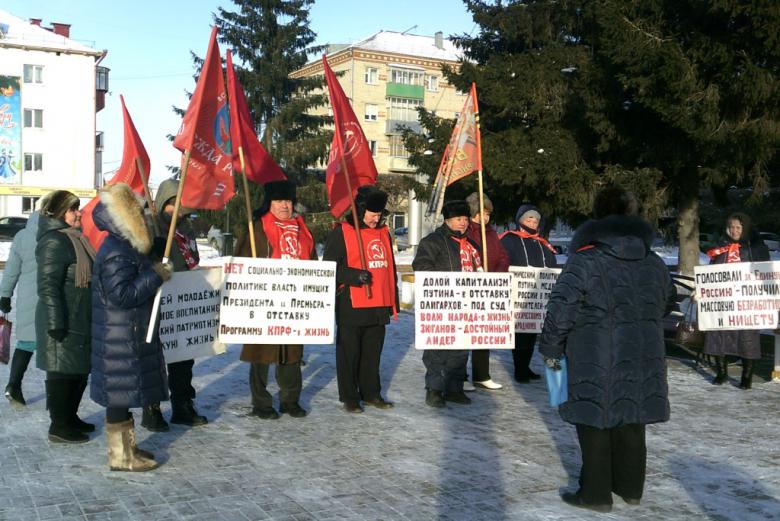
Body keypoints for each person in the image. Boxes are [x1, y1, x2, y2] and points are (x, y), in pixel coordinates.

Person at [539, 186, 676, 512]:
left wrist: (551, 348)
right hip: (643, 354)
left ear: (598, 216)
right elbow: (668, 301)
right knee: (632, 416)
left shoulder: (585, 260)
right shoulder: (653, 261)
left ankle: (595, 494)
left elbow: (562, 310)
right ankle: (630, 488)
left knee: (594, 419)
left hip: (593, 353)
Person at [90, 183, 173, 471]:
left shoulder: (123, 246)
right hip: (120, 334)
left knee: (121, 395)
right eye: (138, 213)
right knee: (118, 395)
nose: (145, 217)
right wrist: (155, 276)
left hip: (123, 334)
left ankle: (126, 448)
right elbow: (122, 295)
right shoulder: (116, 251)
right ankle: (121, 456)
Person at [234, 180, 317, 419]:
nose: (285, 206)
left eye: (289, 201)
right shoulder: (257, 229)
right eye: (280, 200)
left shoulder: (303, 229)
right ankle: (261, 403)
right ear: (269, 203)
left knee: (291, 353)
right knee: (261, 353)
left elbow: (312, 262)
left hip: (295, 301)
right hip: (263, 302)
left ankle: (290, 400)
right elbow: (240, 264)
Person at [323, 185, 399, 413]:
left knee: (372, 354)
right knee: (349, 354)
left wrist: (392, 297)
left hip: (378, 304)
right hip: (351, 304)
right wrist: (354, 275)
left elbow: (390, 267)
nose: (376, 219)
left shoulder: (384, 232)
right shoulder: (342, 232)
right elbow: (329, 268)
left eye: (379, 215)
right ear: (360, 210)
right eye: (372, 214)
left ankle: (371, 393)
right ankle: (349, 396)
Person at [141, 178, 208, 431]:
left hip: (182, 302)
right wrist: (153, 253)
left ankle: (183, 405)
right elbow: (137, 259)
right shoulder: (149, 226)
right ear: (164, 204)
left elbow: (193, 258)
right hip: (155, 302)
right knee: (155, 359)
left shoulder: (185, 229)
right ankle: (152, 409)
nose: (180, 213)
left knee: (182, 359)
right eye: (175, 207)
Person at [36, 190, 96, 443]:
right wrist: (55, 322)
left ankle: (70, 416)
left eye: (78, 208)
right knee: (61, 371)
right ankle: (59, 425)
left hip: (79, 315)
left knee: (77, 370)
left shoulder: (76, 239)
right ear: (59, 213)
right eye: (73, 209)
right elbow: (48, 285)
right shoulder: (54, 241)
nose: (79, 213)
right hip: (62, 317)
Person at [413, 200, 482, 408]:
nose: (463, 223)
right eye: (459, 219)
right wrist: (446, 284)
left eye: (465, 219)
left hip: (467, 305)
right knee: (437, 349)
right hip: (441, 304)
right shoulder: (433, 241)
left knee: (461, 348)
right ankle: (434, 389)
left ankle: (454, 388)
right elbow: (422, 265)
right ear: (448, 220)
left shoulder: (472, 245)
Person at [704, 213, 770, 389]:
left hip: (746, 302)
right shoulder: (720, 247)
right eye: (731, 227)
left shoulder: (755, 248)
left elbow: (766, 274)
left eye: (738, 227)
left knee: (748, 338)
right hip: (723, 300)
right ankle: (721, 372)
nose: (734, 230)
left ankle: (746, 376)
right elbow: (711, 274)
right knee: (719, 334)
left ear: (745, 228)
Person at [500, 204, 559, 383]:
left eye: (535, 220)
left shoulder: (542, 243)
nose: (533, 222)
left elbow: (552, 267)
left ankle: (526, 367)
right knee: (520, 333)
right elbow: (502, 263)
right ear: (520, 220)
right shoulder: (508, 239)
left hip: (538, 297)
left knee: (532, 333)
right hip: (518, 294)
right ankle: (520, 369)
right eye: (529, 219)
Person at [465, 192, 509, 391]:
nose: (485, 217)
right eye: (482, 213)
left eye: (488, 214)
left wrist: (496, 276)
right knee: (464, 334)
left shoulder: (491, 233)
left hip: (489, 289)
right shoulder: (465, 231)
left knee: (483, 333)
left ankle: (481, 374)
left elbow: (502, 256)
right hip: (468, 289)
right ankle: (460, 375)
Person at [1, 206, 44, 406]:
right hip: (53, 298)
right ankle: (59, 399)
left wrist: (5, 295)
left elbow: (11, 270)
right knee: (56, 346)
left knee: (26, 343)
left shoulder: (22, 236)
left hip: (27, 298)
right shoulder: (57, 234)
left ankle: (13, 385)